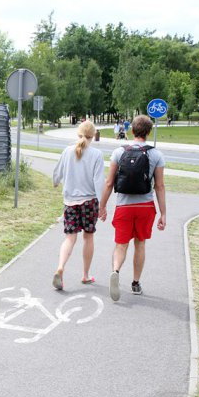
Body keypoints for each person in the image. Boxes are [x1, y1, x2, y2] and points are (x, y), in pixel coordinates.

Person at [99, 115, 166, 301]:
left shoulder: (119, 152)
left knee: (121, 244)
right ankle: (136, 283)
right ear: (149, 132)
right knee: (140, 243)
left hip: (124, 206)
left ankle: (116, 270)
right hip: (145, 206)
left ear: (131, 130)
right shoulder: (156, 154)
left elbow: (109, 182)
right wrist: (163, 213)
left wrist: (102, 206)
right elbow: (159, 186)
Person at [51, 120, 105, 290]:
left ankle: (60, 267)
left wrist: (55, 182)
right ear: (93, 135)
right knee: (88, 237)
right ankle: (86, 275)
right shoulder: (97, 154)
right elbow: (98, 182)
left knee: (70, 238)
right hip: (89, 202)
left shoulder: (67, 151)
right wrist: (102, 205)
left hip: (69, 202)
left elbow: (56, 174)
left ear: (78, 134)